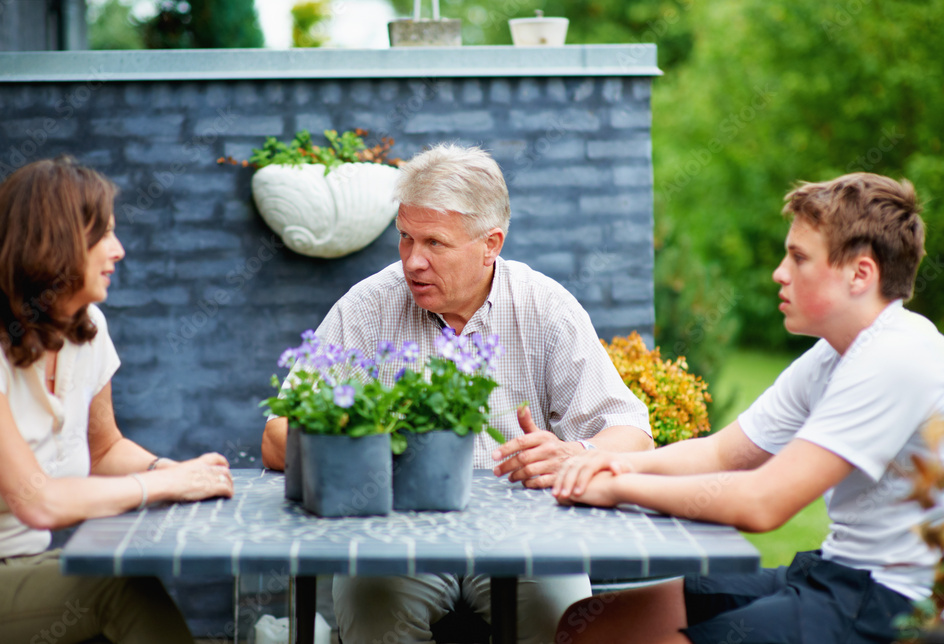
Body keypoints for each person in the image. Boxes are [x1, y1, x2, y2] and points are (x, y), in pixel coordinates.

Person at [261, 143, 653, 644]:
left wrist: (572, 453)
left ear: (491, 243)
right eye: (404, 238)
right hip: (395, 535)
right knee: (369, 605)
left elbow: (634, 436)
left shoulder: (545, 306)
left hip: (526, 531)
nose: (412, 262)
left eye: (434, 244)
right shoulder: (368, 305)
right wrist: (365, 449)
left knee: (562, 618)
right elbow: (277, 435)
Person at [552, 172, 940, 644]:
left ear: (861, 274)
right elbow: (721, 454)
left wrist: (619, 488)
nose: (779, 272)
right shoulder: (832, 355)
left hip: (891, 604)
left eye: (798, 258)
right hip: (832, 573)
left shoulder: (895, 357)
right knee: (591, 624)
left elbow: (763, 503)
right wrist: (607, 461)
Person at [0, 157, 234, 643]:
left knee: (122, 571)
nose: (118, 251)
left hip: (27, 563)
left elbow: (104, 451)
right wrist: (162, 487)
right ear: (50, 243)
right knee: (113, 588)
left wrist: (170, 470)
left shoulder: (87, 330)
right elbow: (36, 501)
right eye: (103, 236)